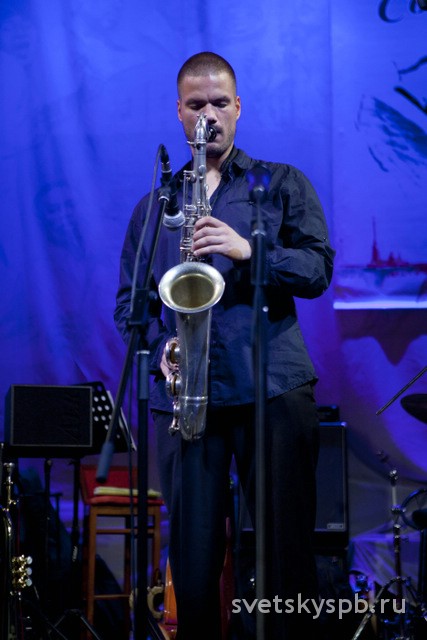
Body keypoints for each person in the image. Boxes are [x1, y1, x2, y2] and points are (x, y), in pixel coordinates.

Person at [114, 51, 335, 639]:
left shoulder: (281, 184)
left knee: (286, 556)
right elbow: (130, 306)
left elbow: (317, 270)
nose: (207, 116)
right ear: (178, 113)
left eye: (218, 103)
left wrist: (249, 249)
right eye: (196, 105)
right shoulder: (155, 207)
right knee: (192, 568)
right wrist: (162, 344)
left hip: (272, 390)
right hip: (188, 400)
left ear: (238, 107)